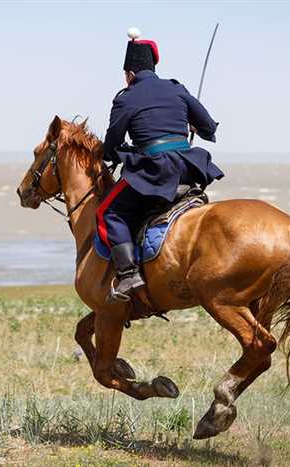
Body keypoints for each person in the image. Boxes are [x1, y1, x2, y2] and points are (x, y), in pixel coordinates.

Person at [99, 27, 224, 303]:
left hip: (156, 172)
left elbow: (112, 145)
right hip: (189, 167)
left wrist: (118, 154)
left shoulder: (126, 98)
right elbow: (207, 127)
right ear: (153, 67)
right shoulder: (176, 88)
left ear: (129, 74)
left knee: (109, 212)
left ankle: (129, 273)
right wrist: (191, 126)